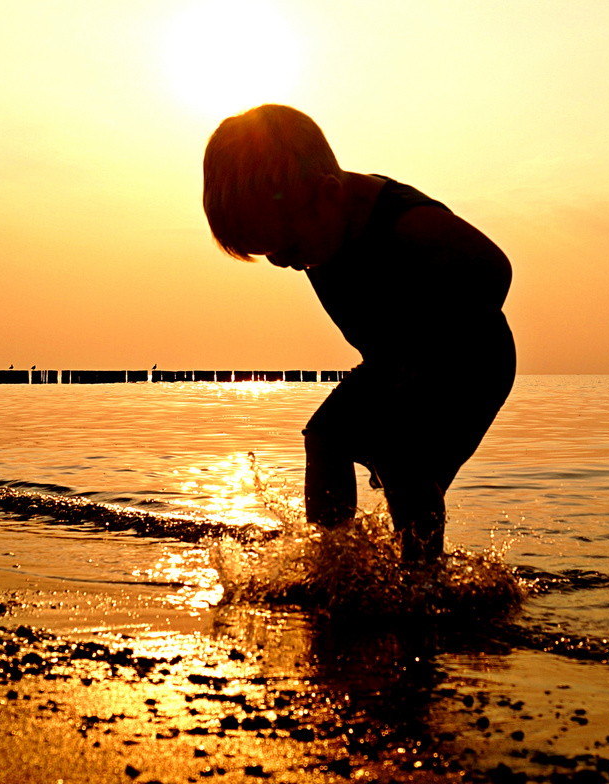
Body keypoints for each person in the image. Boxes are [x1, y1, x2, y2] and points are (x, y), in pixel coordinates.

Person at [202, 104, 515, 565]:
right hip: (392, 363)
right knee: (326, 437)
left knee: (405, 459)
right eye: (270, 254)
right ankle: (334, 560)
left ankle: (422, 576)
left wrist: (430, 358)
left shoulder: (406, 222)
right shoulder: (317, 222)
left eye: (287, 247)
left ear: (328, 196)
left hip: (472, 360)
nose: (283, 262)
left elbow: (495, 270)